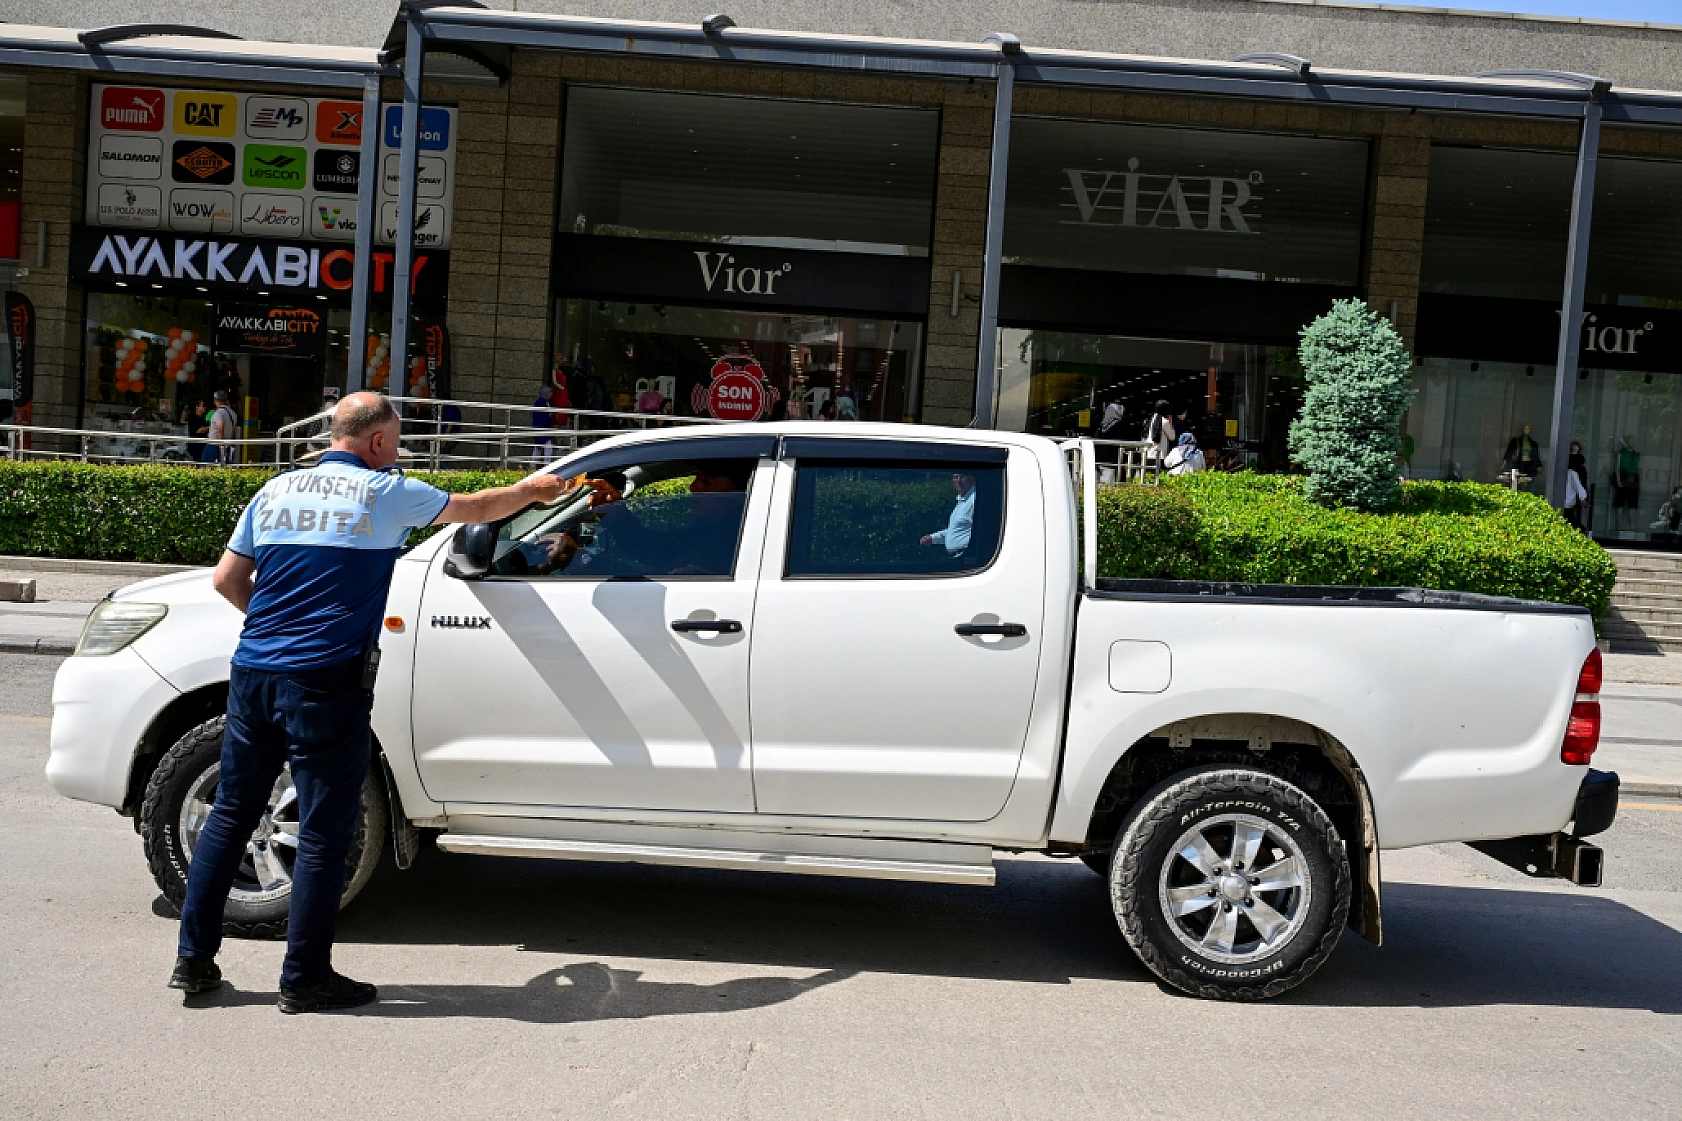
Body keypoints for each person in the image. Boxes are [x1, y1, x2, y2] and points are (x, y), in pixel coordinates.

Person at [169, 393, 566, 1013]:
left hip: (254, 671)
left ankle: (192, 963)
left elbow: (226, 579)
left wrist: (278, 630)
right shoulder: (385, 493)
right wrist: (538, 490)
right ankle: (304, 978)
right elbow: (479, 509)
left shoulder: (276, 492)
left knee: (230, 812)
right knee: (325, 831)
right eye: (397, 440)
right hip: (325, 680)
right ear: (378, 442)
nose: (398, 451)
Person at [532, 462, 751, 577]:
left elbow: (654, 579)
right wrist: (617, 514)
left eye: (707, 482)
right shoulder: (713, 529)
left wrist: (582, 560)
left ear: (736, 493)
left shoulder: (730, 539)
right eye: (696, 479)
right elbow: (656, 550)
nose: (693, 488)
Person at [920, 473, 976, 556]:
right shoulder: (962, 502)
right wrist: (933, 538)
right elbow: (956, 531)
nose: (959, 481)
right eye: (956, 477)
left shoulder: (975, 500)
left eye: (963, 477)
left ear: (972, 479)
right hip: (959, 556)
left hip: (968, 554)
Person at [205, 391, 238, 464]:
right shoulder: (233, 414)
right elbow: (233, 431)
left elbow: (220, 428)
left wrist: (221, 445)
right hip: (227, 444)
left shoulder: (218, 413)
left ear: (215, 400)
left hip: (214, 445)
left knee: (206, 466)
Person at [1142, 400, 1176, 466]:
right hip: (1159, 456)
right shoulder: (1164, 422)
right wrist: (1171, 422)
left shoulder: (1148, 420)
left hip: (1147, 454)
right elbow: (1172, 437)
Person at [1563, 449, 1590, 531]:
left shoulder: (1569, 472)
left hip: (1566, 501)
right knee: (1570, 520)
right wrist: (1583, 498)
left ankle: (1583, 531)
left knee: (1569, 520)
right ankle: (1584, 531)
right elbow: (1579, 486)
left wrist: (1583, 498)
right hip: (1569, 501)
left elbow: (1578, 486)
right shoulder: (1573, 473)